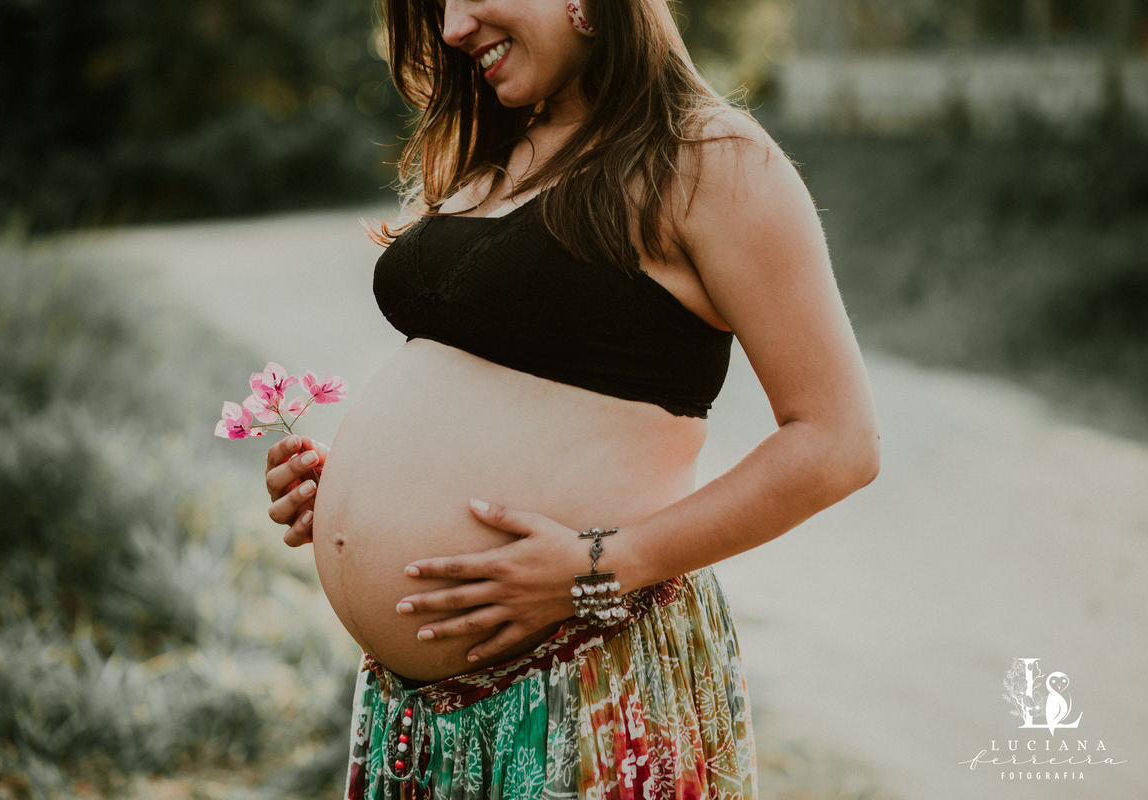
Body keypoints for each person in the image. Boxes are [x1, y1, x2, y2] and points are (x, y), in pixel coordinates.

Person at [264, 0, 880, 797]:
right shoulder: (505, 146)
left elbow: (838, 442)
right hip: (417, 720)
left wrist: (599, 567)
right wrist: (350, 488)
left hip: (585, 687)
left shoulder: (711, 157)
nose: (451, 27)